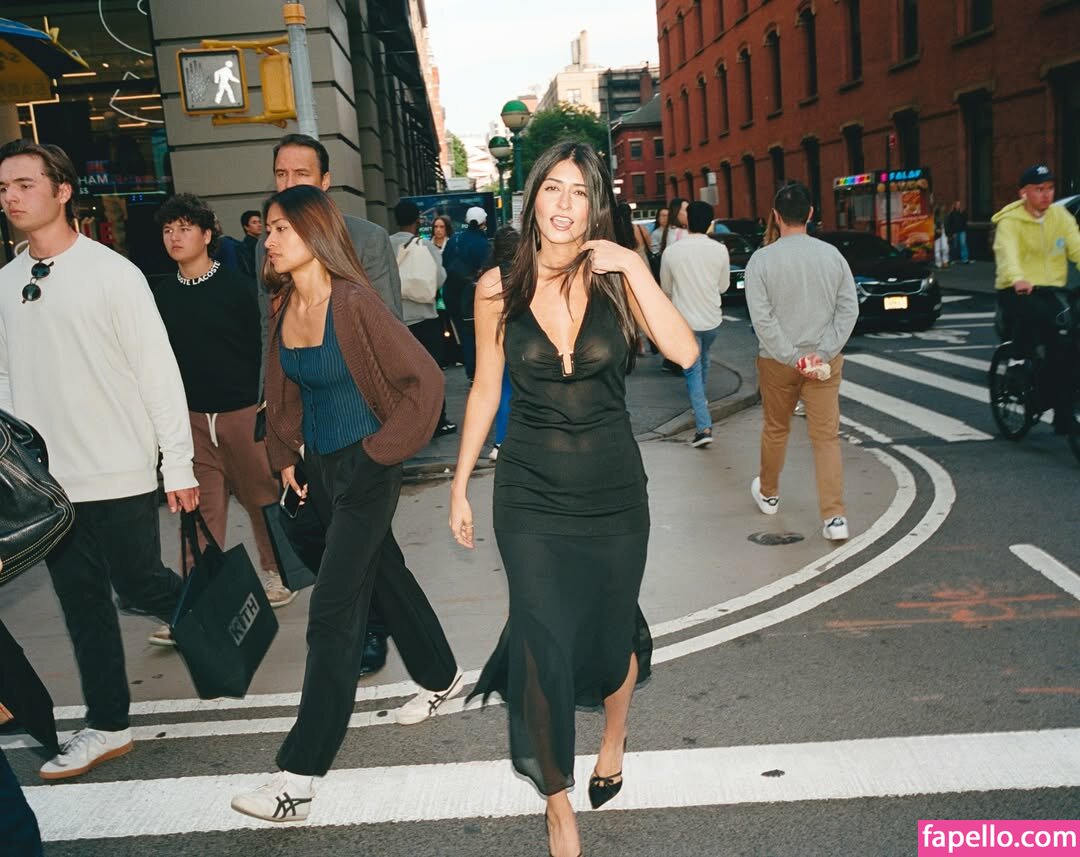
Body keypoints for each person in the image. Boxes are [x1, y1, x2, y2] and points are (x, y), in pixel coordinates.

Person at [449, 141, 697, 857]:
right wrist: (461, 484)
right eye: (552, 188)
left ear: (596, 205)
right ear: (532, 199)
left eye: (580, 192)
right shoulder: (496, 286)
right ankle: (557, 803)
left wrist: (635, 266)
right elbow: (486, 388)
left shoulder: (617, 277)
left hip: (614, 492)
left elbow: (684, 352)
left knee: (609, 635)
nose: (564, 204)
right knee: (541, 642)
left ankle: (614, 735)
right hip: (528, 493)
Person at [231, 185, 463, 822]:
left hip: (368, 467)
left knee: (334, 610)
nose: (269, 240)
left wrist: (380, 451)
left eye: (280, 229)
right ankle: (442, 676)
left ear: (314, 233)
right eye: (267, 230)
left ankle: (297, 780)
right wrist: (284, 454)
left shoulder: (355, 304)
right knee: (385, 575)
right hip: (320, 469)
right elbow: (283, 389)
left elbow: (426, 382)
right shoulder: (284, 303)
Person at [0, 139, 199, 779]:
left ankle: (217, 625)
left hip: (118, 466)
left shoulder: (114, 274)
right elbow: (4, 379)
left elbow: (157, 371)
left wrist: (178, 464)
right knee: (82, 605)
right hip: (50, 486)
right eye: (4, 188)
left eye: (25, 185)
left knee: (140, 584)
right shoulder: (5, 283)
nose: (11, 198)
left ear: (62, 191)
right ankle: (108, 725)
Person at [255, 132, 399, 673]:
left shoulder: (366, 239)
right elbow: (269, 336)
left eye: (301, 174)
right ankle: (398, 632)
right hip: (305, 417)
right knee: (331, 534)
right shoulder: (268, 244)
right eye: (281, 174)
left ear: (325, 181)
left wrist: (387, 434)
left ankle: (370, 629)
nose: (289, 182)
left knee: (362, 538)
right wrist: (273, 415)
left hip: (361, 418)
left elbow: (391, 335)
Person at [151, 192, 295, 626]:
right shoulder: (161, 294)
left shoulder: (237, 286)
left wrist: (266, 404)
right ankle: (199, 596)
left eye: (184, 228)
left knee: (262, 498)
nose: (175, 237)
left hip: (242, 414)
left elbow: (263, 345)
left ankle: (276, 572)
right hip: (191, 420)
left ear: (207, 234)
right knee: (198, 510)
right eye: (168, 230)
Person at [745, 182, 859, 542]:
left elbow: (762, 319)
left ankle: (769, 494)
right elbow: (848, 309)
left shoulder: (761, 260)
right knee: (826, 438)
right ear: (810, 214)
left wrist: (793, 357)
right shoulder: (832, 256)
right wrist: (821, 353)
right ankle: (835, 517)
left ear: (776, 216)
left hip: (777, 361)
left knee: (776, 428)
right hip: (824, 361)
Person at [992, 164, 1080, 435]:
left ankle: (1062, 413)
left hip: (1051, 289)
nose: (1046, 194)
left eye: (1050, 188)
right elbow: (1007, 253)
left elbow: (1077, 247)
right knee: (1040, 320)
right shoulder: (1011, 221)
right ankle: (1018, 360)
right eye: (1039, 189)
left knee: (1067, 345)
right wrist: (1017, 278)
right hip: (1015, 288)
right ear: (1024, 193)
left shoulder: (1060, 217)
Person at [659, 200, 731, 448]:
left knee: (692, 369)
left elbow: (666, 289)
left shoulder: (672, 252)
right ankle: (701, 402)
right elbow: (724, 286)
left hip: (685, 321)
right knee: (703, 358)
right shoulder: (720, 250)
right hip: (711, 319)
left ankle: (704, 427)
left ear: (687, 220)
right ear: (710, 223)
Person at [390, 198, 456, 436]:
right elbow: (439, 279)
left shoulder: (384, 245)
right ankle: (437, 421)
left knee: (401, 374)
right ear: (417, 220)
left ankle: (407, 423)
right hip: (425, 319)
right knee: (431, 372)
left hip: (395, 320)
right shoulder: (426, 247)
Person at [482, 226, 521, 462]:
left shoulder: (489, 277)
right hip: (523, 339)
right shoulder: (527, 274)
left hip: (498, 339)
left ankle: (500, 441)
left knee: (502, 390)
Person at [442, 205, 491, 380]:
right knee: (478, 332)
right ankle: (479, 370)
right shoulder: (484, 244)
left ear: (466, 221)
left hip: (452, 294)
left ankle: (471, 371)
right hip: (474, 294)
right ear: (483, 222)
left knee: (464, 333)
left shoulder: (454, 240)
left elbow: (444, 265)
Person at [239, 209, 263, 277]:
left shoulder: (257, 243)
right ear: (246, 227)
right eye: (254, 223)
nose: (259, 225)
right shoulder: (249, 245)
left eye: (260, 222)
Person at [933, 204, 950, 269]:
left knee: (945, 248)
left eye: (943, 208)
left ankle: (945, 262)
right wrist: (936, 229)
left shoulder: (946, 217)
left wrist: (949, 234)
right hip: (937, 234)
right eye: (941, 209)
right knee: (937, 249)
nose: (943, 210)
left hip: (944, 233)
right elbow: (933, 225)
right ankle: (938, 263)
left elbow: (948, 226)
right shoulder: (935, 217)